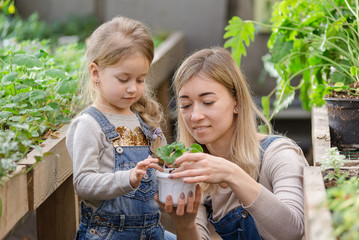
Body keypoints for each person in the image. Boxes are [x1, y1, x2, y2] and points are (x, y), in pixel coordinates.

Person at [156, 47, 308, 240]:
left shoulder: (279, 155)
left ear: (236, 102)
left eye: (208, 102)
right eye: (185, 105)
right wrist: (184, 223)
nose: (195, 116)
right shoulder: (196, 170)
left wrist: (231, 173)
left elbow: (293, 231)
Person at [66, 16, 176, 240]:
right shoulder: (89, 124)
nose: (133, 89)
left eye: (140, 79)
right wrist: (127, 179)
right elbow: (83, 183)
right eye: (123, 79)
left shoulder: (144, 120)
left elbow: (161, 169)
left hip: (152, 230)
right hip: (109, 232)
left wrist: (172, 166)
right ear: (96, 73)